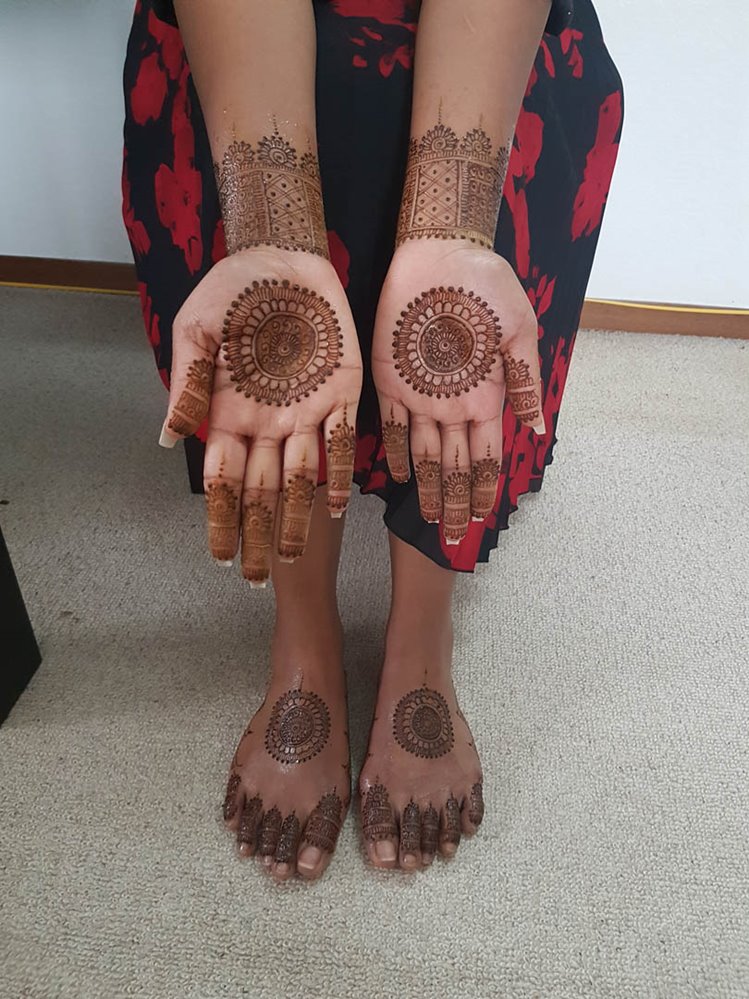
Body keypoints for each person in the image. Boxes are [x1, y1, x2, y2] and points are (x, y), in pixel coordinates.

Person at [121, 0, 623, 881]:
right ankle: (305, 642)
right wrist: (270, 226)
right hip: (232, 46)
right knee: (277, 350)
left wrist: (451, 220)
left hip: (498, 44)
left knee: (460, 332)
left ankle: (420, 642)